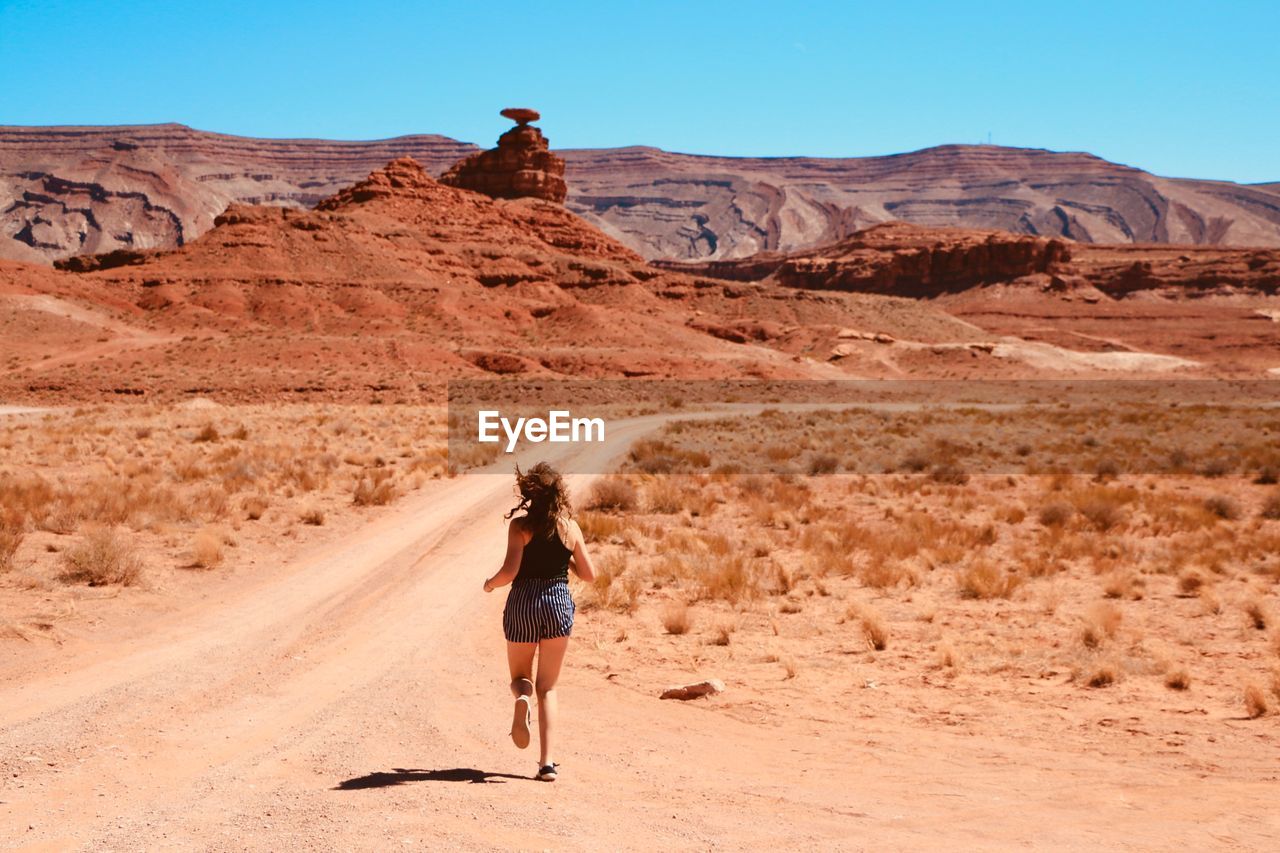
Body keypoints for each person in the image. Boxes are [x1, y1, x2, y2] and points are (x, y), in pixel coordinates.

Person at [482, 462, 595, 782]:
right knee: (548, 687)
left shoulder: (520, 527)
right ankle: (546, 764)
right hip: (558, 602)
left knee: (521, 678)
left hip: (524, 603)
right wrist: (566, 558)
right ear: (559, 493)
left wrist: (489, 584)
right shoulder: (569, 527)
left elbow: (509, 572)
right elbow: (589, 574)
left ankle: (521, 698)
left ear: (530, 492)